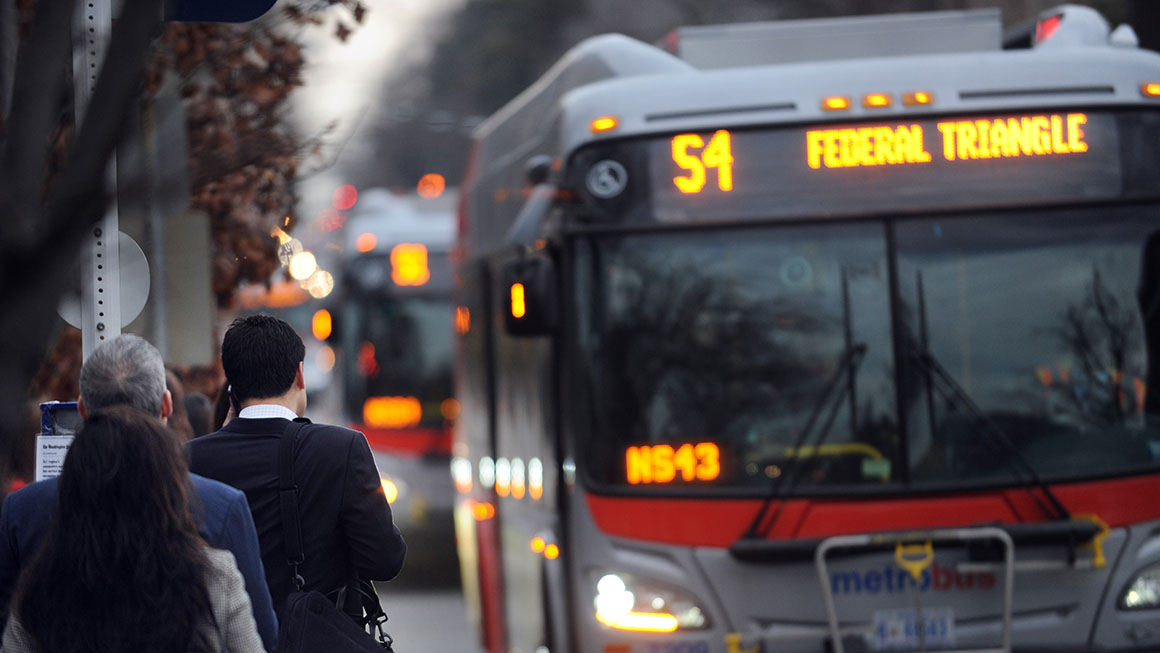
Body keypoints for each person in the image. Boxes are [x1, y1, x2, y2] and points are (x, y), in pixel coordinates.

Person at [0, 334, 279, 652]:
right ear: (166, 404)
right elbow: (263, 639)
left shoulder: (23, 515)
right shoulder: (222, 510)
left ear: (82, 409)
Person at [188, 315, 406, 620]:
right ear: (300, 375)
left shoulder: (190, 458)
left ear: (232, 387)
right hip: (321, 637)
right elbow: (384, 561)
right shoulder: (341, 449)